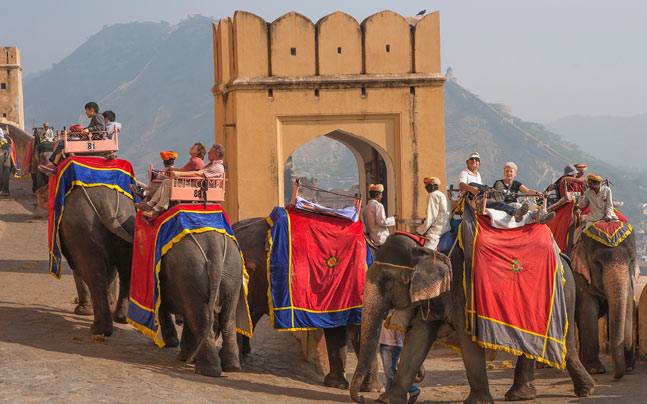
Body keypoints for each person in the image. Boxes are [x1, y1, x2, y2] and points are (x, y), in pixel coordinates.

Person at [138, 144, 225, 220]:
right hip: (199, 184)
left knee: (169, 183)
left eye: (210, 152)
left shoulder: (215, 166)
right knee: (167, 182)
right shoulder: (210, 164)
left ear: (216, 154)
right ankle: (152, 204)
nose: (208, 153)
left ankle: (154, 206)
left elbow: (198, 173)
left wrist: (178, 174)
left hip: (201, 187)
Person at [457, 152, 528, 222]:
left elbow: (527, 191)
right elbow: (461, 185)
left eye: (477, 159)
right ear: (467, 162)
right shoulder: (464, 173)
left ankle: (516, 213)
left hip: (481, 198)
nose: (474, 161)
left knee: (498, 203)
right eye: (472, 159)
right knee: (473, 184)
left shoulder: (478, 174)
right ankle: (516, 212)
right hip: (471, 199)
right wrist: (471, 189)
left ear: (479, 164)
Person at [40, 102, 107, 174]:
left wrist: (89, 129)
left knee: (63, 142)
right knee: (66, 140)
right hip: (91, 137)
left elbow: (101, 127)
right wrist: (83, 129)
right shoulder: (96, 117)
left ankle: (54, 164)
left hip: (93, 139)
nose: (86, 112)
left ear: (92, 110)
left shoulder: (98, 116)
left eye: (86, 110)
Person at [376, 317, 420, 404]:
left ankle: (413, 388)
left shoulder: (397, 313)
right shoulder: (384, 310)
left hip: (393, 345)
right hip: (384, 344)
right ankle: (387, 395)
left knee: (390, 372)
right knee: (389, 372)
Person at [420, 176, 450, 250]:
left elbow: (431, 217)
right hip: (446, 227)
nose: (425, 187)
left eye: (427, 185)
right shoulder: (442, 195)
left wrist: (420, 231)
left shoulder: (433, 195)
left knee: (425, 253)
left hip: (436, 231)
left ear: (432, 186)